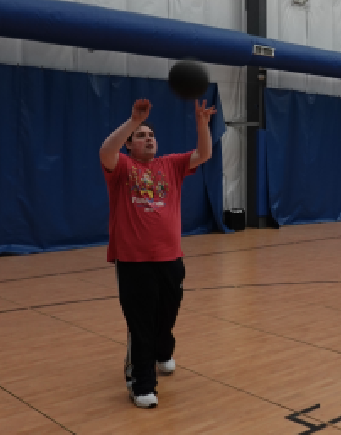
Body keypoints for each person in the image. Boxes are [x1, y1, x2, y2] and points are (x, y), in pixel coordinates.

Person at [100, 98, 217, 408]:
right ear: (130, 144)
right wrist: (133, 121)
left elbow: (204, 154)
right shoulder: (123, 167)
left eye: (151, 134)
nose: (148, 138)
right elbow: (105, 151)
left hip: (170, 258)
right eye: (141, 135)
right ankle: (141, 384)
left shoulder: (171, 164)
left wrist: (202, 124)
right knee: (141, 324)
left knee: (166, 316)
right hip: (134, 262)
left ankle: (163, 353)